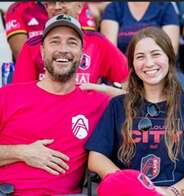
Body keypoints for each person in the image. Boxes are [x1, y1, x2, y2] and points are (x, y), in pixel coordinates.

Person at [86, 27, 184, 196]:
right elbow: (96, 158)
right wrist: (132, 187)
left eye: (155, 54)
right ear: (132, 64)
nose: (149, 63)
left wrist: (171, 192)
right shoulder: (117, 106)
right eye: (140, 57)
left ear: (169, 57)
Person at [0, 15, 110, 195]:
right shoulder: (7, 95)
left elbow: (146, 99)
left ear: (82, 53)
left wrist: (104, 88)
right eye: (55, 42)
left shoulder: (98, 103)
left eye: (72, 42)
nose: (63, 49)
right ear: (42, 51)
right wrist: (22, 152)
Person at [12, 2, 128, 97]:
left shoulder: (98, 43)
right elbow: (20, 92)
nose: (57, 7)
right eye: (51, 3)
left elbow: (128, 78)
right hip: (45, 114)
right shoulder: (32, 46)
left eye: (63, 1)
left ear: (80, 6)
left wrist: (105, 91)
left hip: (87, 115)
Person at [5, 2, 96, 60]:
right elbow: (22, 57)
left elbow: (89, 50)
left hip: (77, 71)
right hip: (36, 74)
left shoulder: (75, 4)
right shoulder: (18, 8)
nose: (57, 7)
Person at [101, 2, 180, 55]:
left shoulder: (166, 6)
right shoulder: (115, 7)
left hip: (157, 68)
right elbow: (110, 52)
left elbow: (170, 51)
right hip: (122, 69)